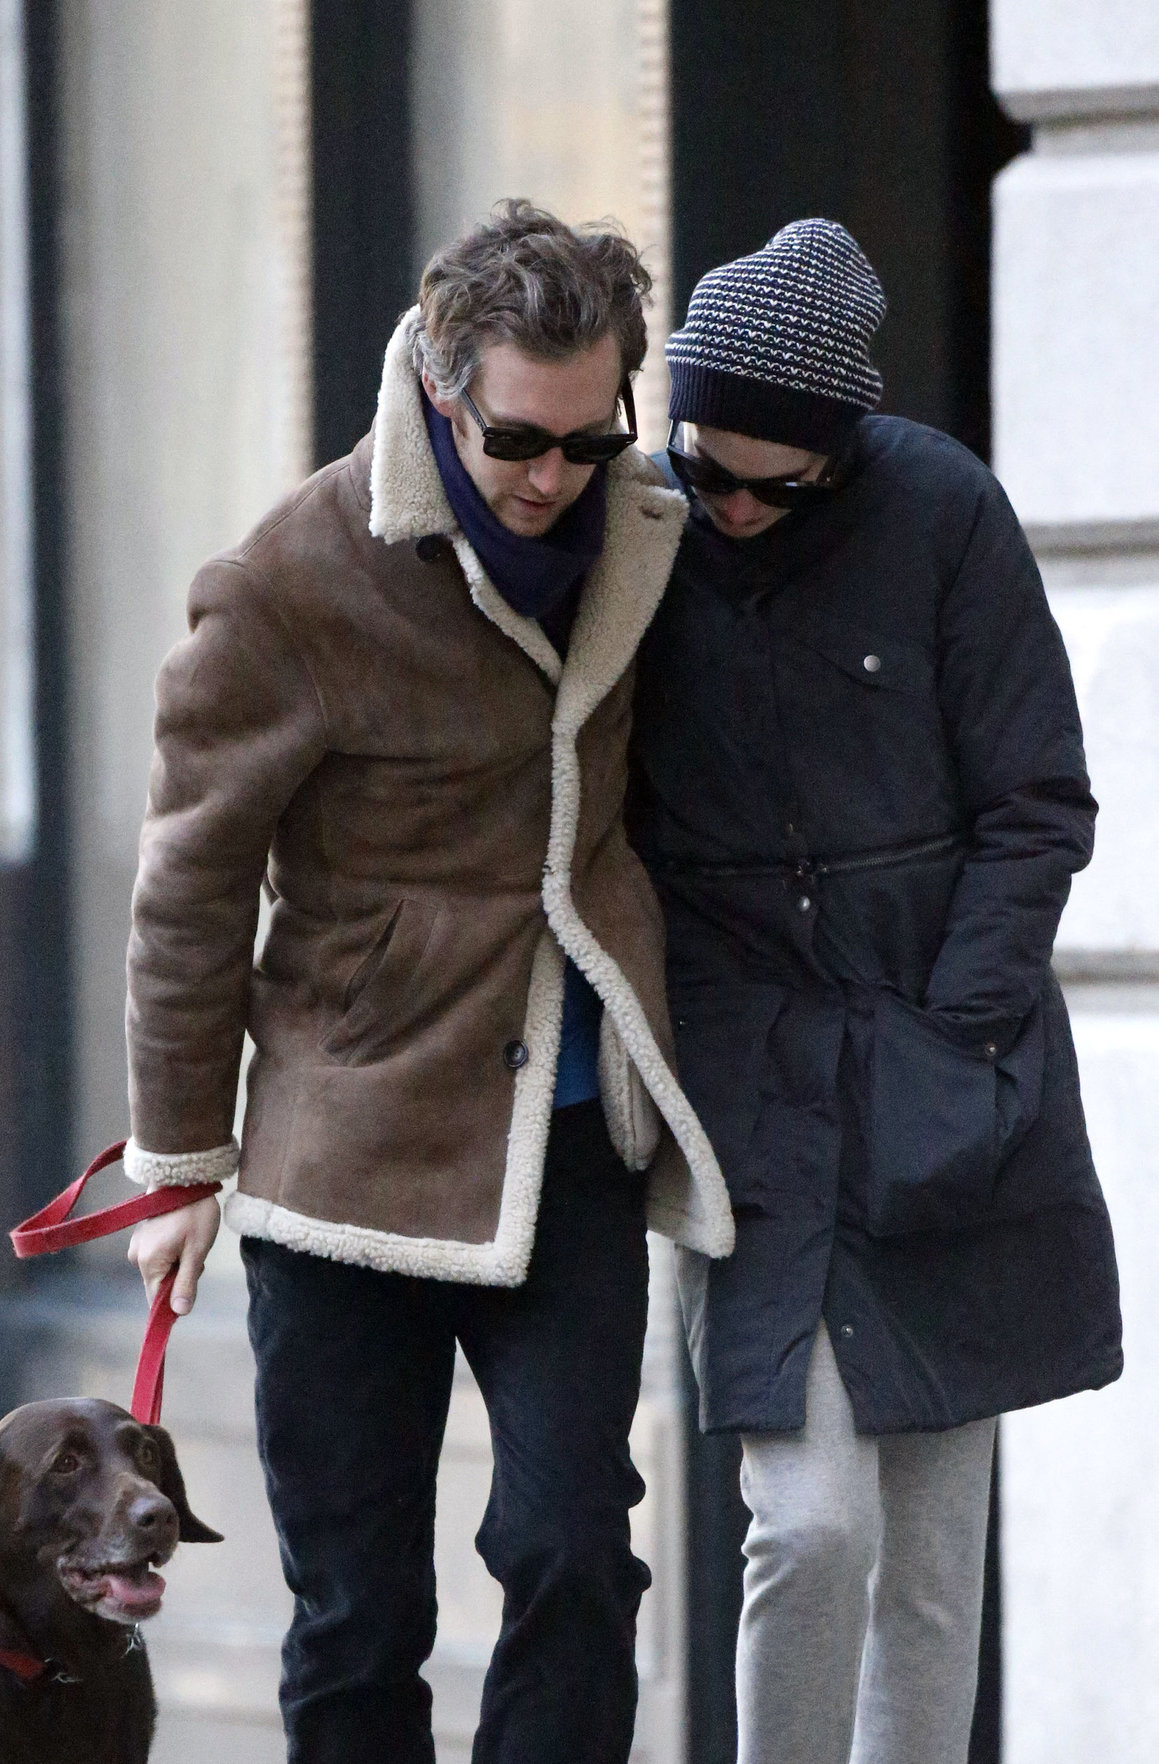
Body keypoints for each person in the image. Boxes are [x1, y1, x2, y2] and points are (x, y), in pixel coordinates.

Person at [123, 199, 733, 1764]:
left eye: (589, 443)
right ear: (443, 389)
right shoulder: (286, 581)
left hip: (568, 1130)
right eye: (519, 440)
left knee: (574, 1554)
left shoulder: (646, 533)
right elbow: (189, 887)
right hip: (349, 1148)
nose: (552, 479)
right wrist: (181, 1159)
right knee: (358, 1614)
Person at [629, 218, 1123, 1764]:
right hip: (753, 1081)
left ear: (842, 457)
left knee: (929, 1561)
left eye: (780, 485)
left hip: (940, 1067)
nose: (737, 509)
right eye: (711, 470)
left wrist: (963, 1034)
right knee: (812, 1522)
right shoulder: (644, 528)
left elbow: (1040, 797)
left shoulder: (945, 512)